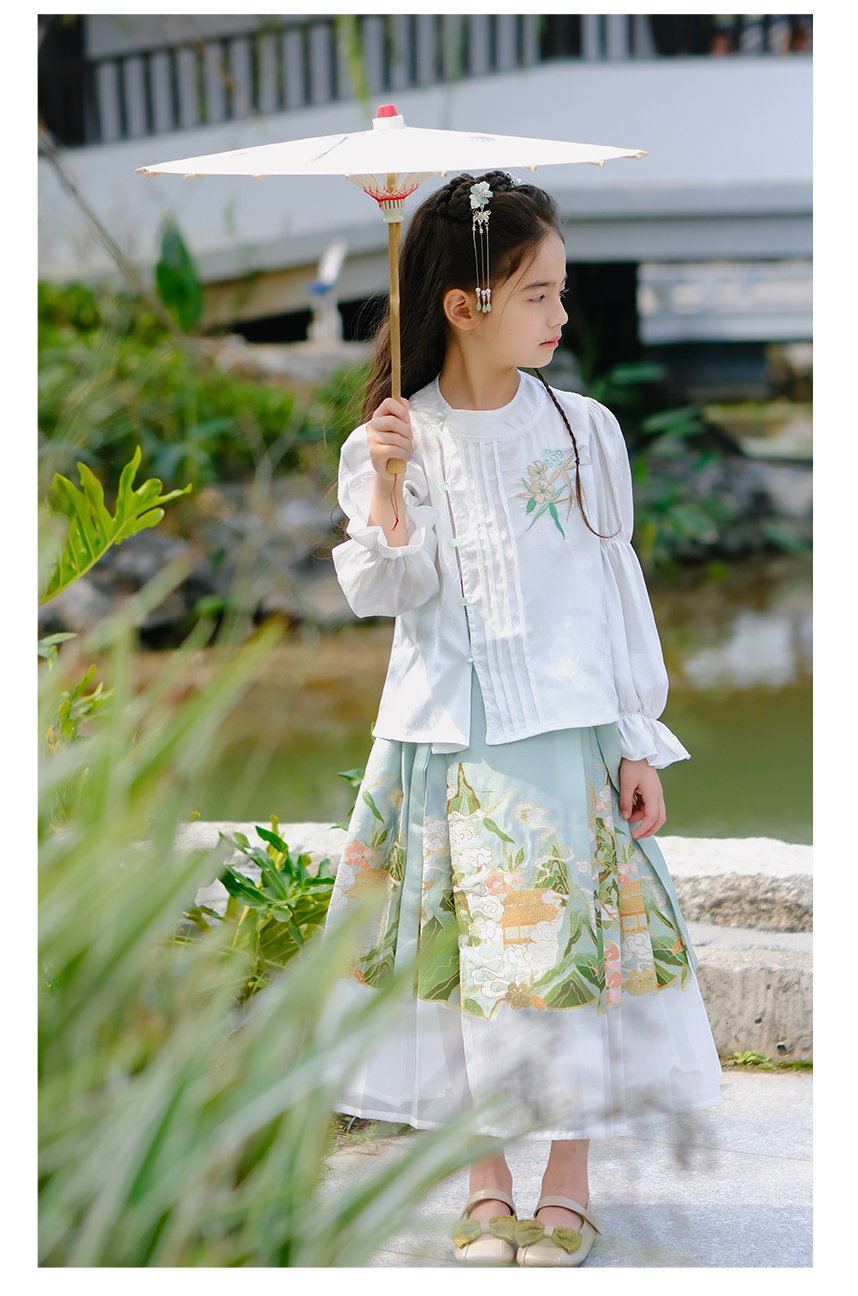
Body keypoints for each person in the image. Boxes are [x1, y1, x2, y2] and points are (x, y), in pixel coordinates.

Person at [325, 171, 722, 1267]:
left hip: (567, 738)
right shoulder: (392, 439)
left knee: (569, 964)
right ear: (465, 305)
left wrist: (637, 739)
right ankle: (484, 1183)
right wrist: (389, 487)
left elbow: (612, 588)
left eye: (560, 291)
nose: (559, 313)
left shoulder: (584, 431)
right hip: (444, 743)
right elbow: (389, 593)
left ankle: (568, 1185)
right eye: (539, 293)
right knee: (466, 969)